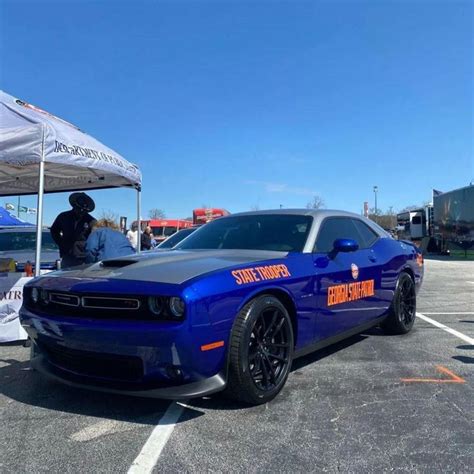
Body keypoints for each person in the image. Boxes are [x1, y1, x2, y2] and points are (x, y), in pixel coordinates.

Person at [50, 192, 96, 268]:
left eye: (83, 210)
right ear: (74, 205)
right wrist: (61, 244)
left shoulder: (91, 221)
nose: (80, 211)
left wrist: (86, 250)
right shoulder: (63, 216)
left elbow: (95, 239)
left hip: (83, 258)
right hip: (67, 256)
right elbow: (54, 230)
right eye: (78, 208)